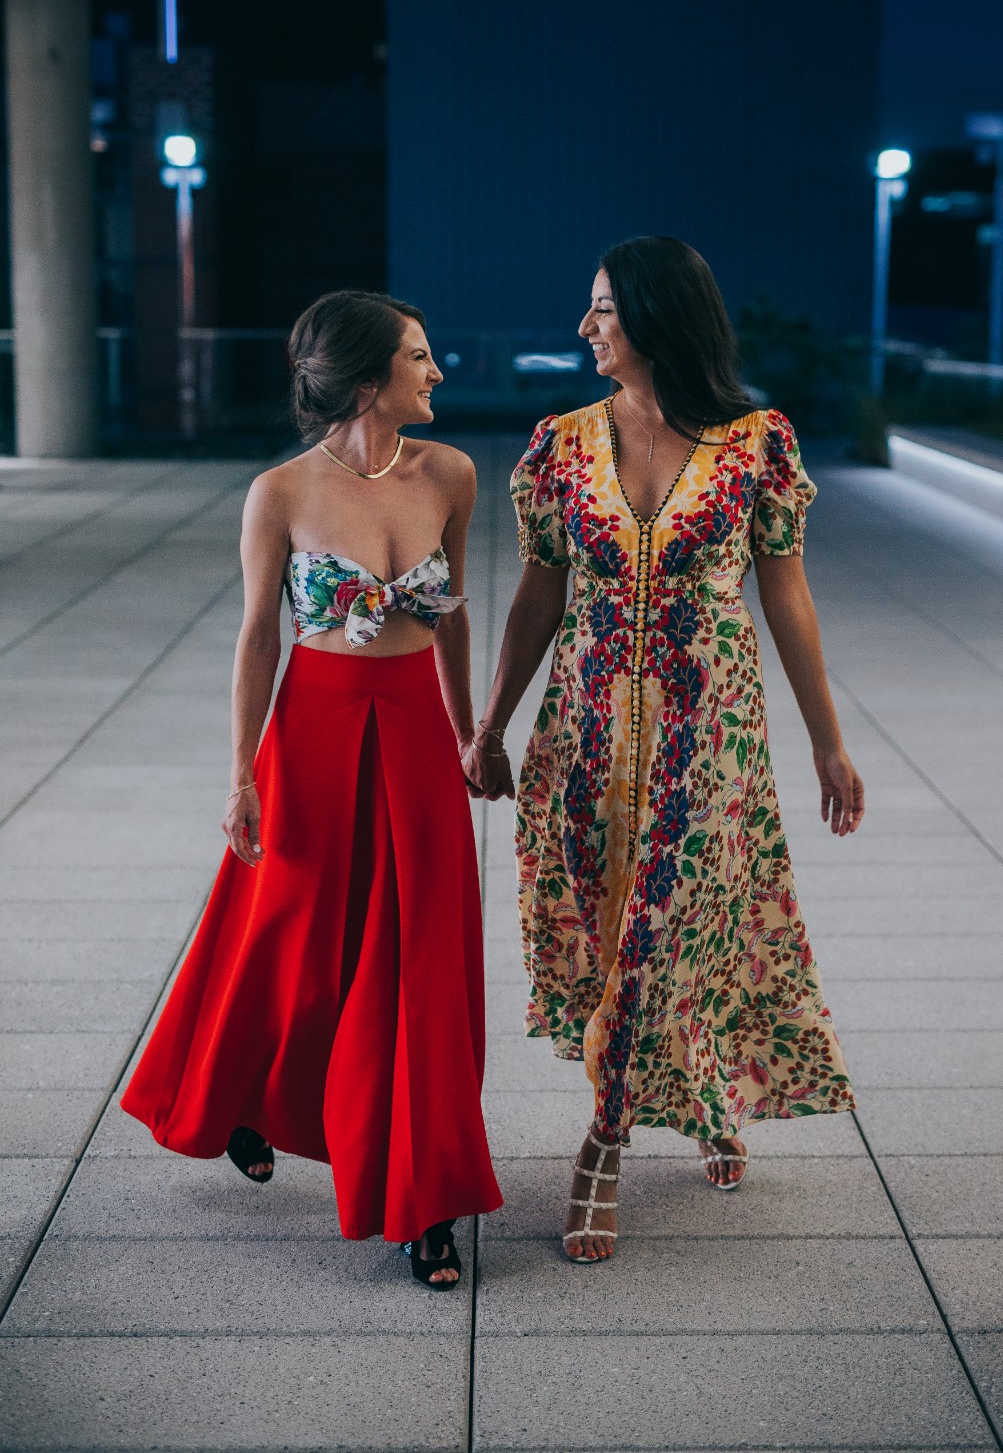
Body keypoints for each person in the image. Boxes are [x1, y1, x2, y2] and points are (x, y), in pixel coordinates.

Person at [464, 237, 863, 1263]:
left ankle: (603, 1143)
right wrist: (491, 723)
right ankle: (703, 1100)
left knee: (673, 923)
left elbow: (788, 596)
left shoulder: (756, 442)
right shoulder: (561, 443)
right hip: (587, 726)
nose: (587, 327)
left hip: (710, 734)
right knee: (608, 928)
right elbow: (540, 595)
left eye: (603, 308)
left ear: (655, 314)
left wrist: (828, 744)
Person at [122, 290, 502, 1288]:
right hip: (315, 729)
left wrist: (474, 732)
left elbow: (454, 617)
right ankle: (243, 1096)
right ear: (371, 377)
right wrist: (242, 771)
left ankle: (428, 1203)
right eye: (420, 358)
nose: (438, 373)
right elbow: (257, 636)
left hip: (418, 728)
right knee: (286, 934)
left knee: (421, 958)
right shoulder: (281, 493)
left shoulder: (453, 475)